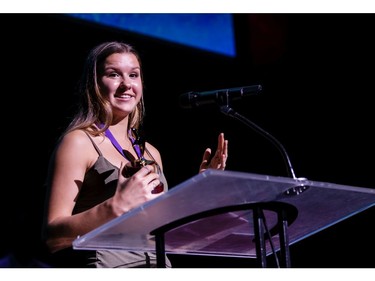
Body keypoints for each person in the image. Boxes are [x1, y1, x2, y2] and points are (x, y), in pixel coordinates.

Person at [42, 41, 228, 268]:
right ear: (94, 84)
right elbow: (53, 235)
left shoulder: (151, 153)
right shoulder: (79, 142)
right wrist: (114, 207)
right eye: (114, 75)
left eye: (133, 75)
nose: (126, 85)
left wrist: (199, 189)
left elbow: (165, 227)